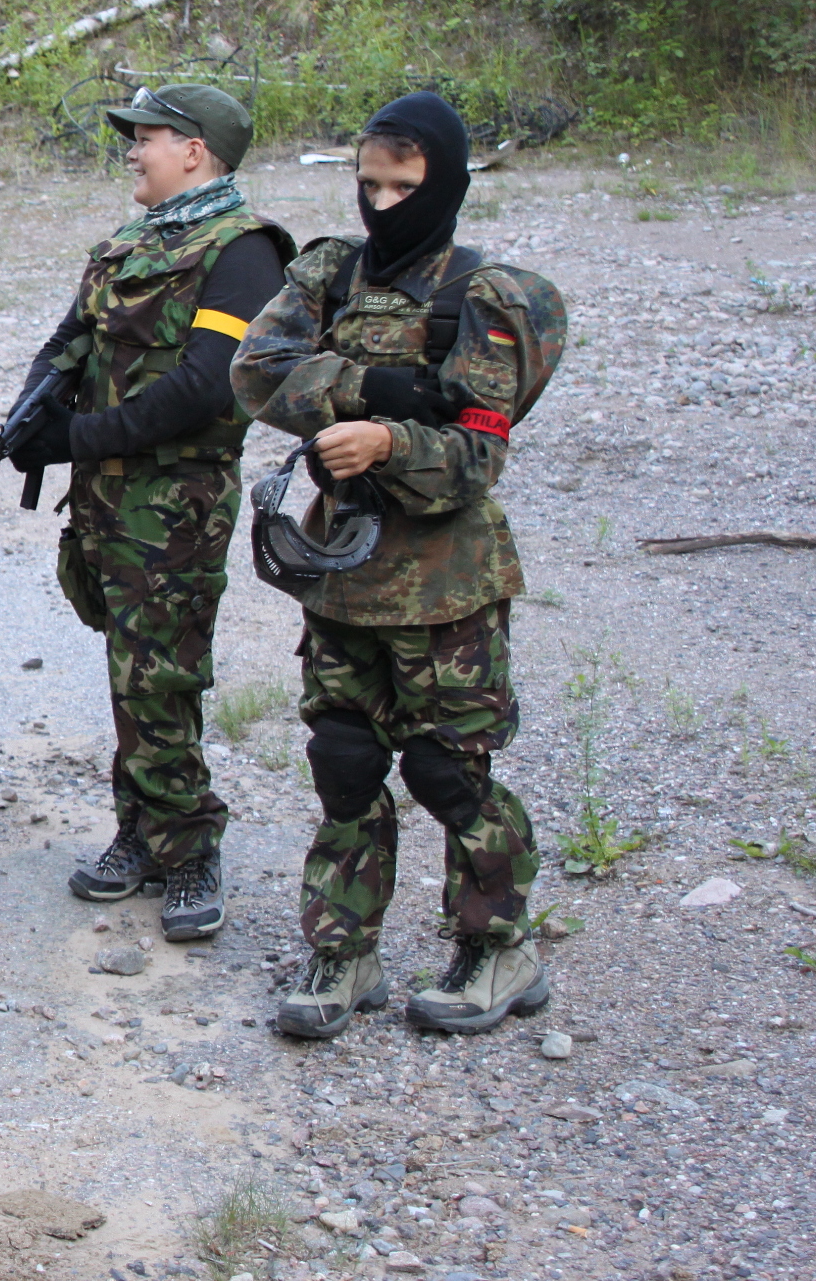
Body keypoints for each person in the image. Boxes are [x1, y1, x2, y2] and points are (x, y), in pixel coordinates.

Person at [232, 90, 564, 1039]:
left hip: (447, 584)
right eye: (368, 184)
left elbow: (477, 455)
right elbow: (256, 372)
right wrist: (375, 387)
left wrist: (388, 442)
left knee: (447, 770)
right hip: (343, 570)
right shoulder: (329, 273)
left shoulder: (488, 297)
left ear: (447, 184)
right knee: (343, 763)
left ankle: (499, 946)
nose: (380, 205)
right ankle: (343, 950)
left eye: (403, 187)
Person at [4, 84, 293, 941]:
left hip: (176, 505)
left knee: (163, 673)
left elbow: (207, 385)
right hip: (107, 499)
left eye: (148, 137)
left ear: (195, 151)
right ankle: (141, 830)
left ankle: (191, 847)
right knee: (128, 668)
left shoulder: (244, 252)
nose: (132, 151)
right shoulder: (127, 246)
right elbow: (68, 341)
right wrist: (30, 416)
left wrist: (76, 437)